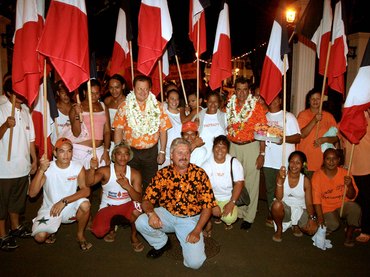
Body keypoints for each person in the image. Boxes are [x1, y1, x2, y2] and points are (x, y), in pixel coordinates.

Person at [135, 138, 216, 269]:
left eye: (187, 153)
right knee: (141, 221)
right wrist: (151, 214)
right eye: (179, 153)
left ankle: (194, 241)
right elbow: (147, 200)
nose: (184, 156)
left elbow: (208, 207)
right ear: (171, 155)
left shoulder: (200, 174)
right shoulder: (162, 174)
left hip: (189, 219)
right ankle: (161, 243)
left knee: (195, 264)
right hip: (167, 214)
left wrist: (197, 230)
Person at [29, 138, 92, 251]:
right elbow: (32, 194)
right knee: (40, 237)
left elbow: (86, 190)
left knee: (85, 204)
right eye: (62, 151)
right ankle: (51, 230)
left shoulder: (77, 167)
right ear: (55, 153)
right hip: (51, 209)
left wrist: (64, 201)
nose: (66, 155)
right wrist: (40, 170)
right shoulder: (48, 168)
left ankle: (80, 235)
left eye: (69, 151)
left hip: (69, 206)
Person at [113, 75, 172, 189]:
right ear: (134, 89)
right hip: (130, 152)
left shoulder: (157, 106)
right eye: (139, 88)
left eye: (146, 89)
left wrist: (162, 152)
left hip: (151, 153)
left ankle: (149, 205)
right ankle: (133, 206)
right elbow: (118, 130)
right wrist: (118, 151)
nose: (143, 92)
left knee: (151, 184)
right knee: (131, 182)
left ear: (150, 89)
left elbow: (163, 130)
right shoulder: (124, 106)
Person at [0, 78, 37, 251]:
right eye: (17, 91)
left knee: (17, 201)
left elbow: (31, 139)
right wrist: (5, 125)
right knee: (2, 204)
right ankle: (2, 235)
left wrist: (34, 159)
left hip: (23, 167)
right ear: (8, 93)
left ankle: (15, 227)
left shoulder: (25, 110)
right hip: (4, 169)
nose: (22, 94)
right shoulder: (1, 109)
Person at [226, 77, 267, 230]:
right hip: (233, 146)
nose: (242, 93)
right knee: (236, 180)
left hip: (251, 146)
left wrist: (262, 153)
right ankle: (241, 212)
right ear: (235, 91)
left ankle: (249, 216)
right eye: (239, 89)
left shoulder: (257, 107)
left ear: (249, 91)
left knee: (251, 181)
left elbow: (262, 131)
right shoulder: (230, 106)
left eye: (245, 89)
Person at [86, 143, 144, 252]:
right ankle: (111, 229)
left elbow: (139, 199)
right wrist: (92, 169)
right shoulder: (105, 170)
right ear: (114, 155)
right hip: (108, 206)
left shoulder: (135, 174)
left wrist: (128, 187)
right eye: (119, 154)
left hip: (126, 206)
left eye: (126, 154)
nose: (123, 157)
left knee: (138, 209)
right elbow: (89, 183)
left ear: (129, 156)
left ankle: (133, 236)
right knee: (98, 232)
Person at [263, 94, 301, 227]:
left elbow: (297, 137)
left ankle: (285, 215)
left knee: (283, 189)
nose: (272, 101)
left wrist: (283, 139)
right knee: (269, 189)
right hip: (268, 159)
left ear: (280, 100)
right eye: (270, 98)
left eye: (275, 98)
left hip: (284, 160)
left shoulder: (288, 116)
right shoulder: (264, 117)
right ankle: (271, 211)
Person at [312, 148, 361, 247]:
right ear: (324, 160)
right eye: (328, 159)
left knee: (356, 209)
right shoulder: (317, 176)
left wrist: (350, 185)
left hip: (342, 205)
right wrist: (320, 218)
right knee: (334, 224)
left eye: (334, 159)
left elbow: (352, 196)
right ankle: (325, 228)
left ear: (339, 160)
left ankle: (349, 234)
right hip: (326, 208)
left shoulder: (345, 173)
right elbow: (316, 200)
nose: (331, 162)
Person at [271, 151, 318, 242]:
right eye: (292, 162)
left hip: (300, 209)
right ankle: (279, 229)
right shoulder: (282, 175)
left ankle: (296, 225)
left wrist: (312, 218)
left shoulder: (305, 180)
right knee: (276, 205)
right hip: (285, 208)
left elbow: (309, 203)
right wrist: (280, 180)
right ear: (288, 163)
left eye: (298, 163)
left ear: (303, 165)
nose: (294, 165)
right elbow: (279, 198)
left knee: (311, 230)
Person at [202, 135, 244, 235]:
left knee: (230, 218)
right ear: (213, 148)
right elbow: (203, 188)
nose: (220, 150)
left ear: (227, 150)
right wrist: (213, 205)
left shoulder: (234, 162)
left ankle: (225, 220)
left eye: (223, 147)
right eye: (217, 146)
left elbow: (239, 183)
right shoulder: (206, 165)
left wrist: (232, 202)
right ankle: (208, 223)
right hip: (212, 197)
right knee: (200, 208)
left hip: (228, 197)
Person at [69, 79, 111, 169]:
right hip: (80, 151)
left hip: (99, 150)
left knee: (99, 179)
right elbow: (76, 133)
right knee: (81, 181)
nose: (94, 96)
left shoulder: (103, 106)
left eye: (97, 93)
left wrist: (106, 150)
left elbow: (107, 131)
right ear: (84, 92)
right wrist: (77, 114)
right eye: (91, 93)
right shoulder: (76, 107)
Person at [297, 89, 339, 177]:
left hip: (323, 161)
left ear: (322, 100)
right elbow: (302, 134)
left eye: (318, 98)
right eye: (313, 99)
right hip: (306, 159)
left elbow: (336, 138)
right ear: (309, 101)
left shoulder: (329, 116)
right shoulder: (302, 115)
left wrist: (324, 139)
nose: (315, 101)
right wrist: (315, 120)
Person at [343, 108, 370, 243]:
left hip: (366, 165)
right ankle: (357, 224)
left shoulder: (367, 119)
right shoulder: (348, 118)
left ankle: (367, 229)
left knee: (366, 199)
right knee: (355, 198)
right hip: (351, 166)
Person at [197, 92, 227, 161]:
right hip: (203, 157)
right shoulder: (198, 116)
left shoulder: (225, 117)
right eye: (210, 101)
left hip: (220, 157)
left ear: (219, 103)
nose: (213, 104)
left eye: (215, 101)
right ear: (206, 102)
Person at [103, 74, 127, 154]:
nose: (114, 91)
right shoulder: (107, 101)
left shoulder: (129, 102)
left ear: (123, 86)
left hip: (123, 141)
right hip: (109, 140)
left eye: (117, 87)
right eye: (111, 88)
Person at [160, 89, 182, 168]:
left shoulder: (184, 114)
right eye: (172, 98)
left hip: (180, 153)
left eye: (176, 99)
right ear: (167, 100)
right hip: (166, 155)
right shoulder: (162, 113)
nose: (174, 101)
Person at [51, 80, 74, 146]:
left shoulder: (75, 109)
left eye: (68, 93)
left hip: (73, 149)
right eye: (63, 93)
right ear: (58, 93)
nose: (66, 96)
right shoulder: (53, 110)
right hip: (56, 149)